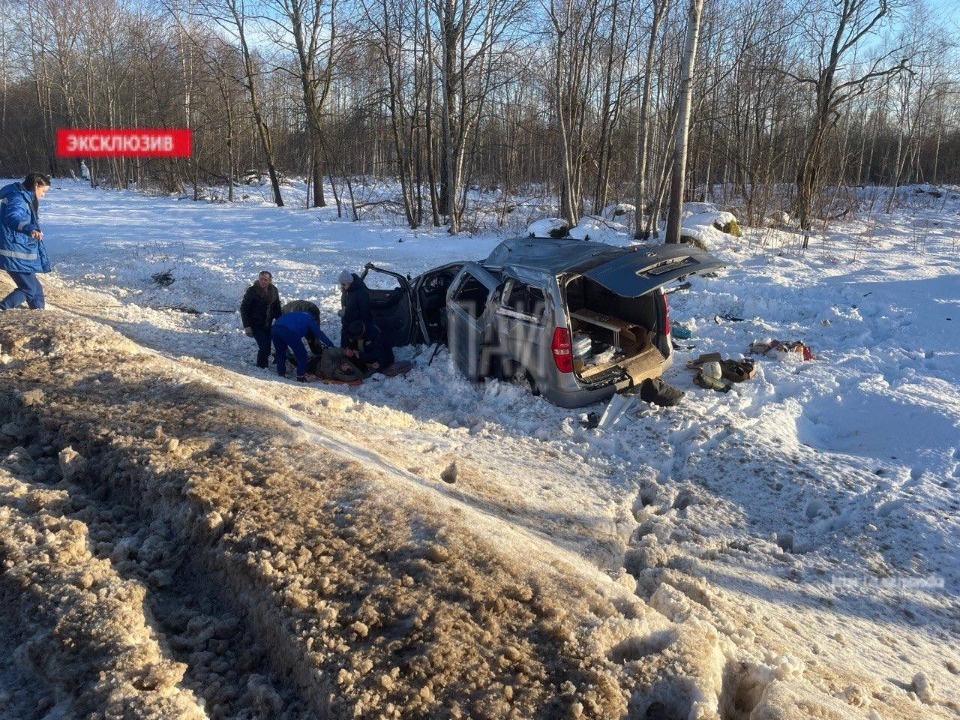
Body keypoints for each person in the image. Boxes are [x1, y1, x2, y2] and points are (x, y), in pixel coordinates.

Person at [0, 173, 52, 310]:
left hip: (20, 249)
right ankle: (3, 308)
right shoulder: (18, 198)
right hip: (14, 252)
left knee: (36, 289)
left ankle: (38, 312)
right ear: (36, 186)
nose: (43, 195)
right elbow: (12, 217)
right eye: (43, 191)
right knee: (29, 289)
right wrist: (30, 228)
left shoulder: (23, 197)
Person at [271, 310, 334, 381]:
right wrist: (331, 345)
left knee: (280, 353)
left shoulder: (296, 314)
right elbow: (319, 334)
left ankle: (281, 373)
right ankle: (300, 377)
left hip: (274, 329)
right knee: (302, 355)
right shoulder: (309, 318)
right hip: (289, 331)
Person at [240, 270, 283, 368]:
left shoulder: (274, 290)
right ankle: (261, 367)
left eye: (265, 280)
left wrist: (281, 321)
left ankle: (263, 367)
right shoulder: (252, 291)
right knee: (263, 346)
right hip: (255, 323)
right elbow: (244, 308)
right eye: (261, 279)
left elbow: (276, 307)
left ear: (270, 280)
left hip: (267, 323)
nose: (262, 281)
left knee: (267, 348)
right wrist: (247, 326)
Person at [338, 269, 372, 347]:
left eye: (343, 284)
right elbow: (345, 304)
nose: (342, 286)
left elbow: (365, 312)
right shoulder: (347, 290)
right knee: (345, 344)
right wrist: (344, 311)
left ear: (350, 282)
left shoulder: (361, 293)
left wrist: (362, 328)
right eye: (341, 284)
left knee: (356, 345)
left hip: (356, 323)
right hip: (347, 321)